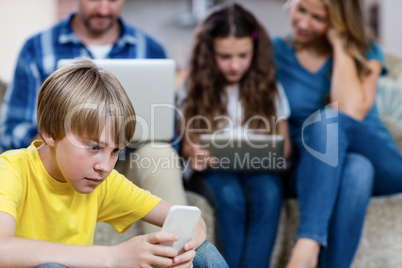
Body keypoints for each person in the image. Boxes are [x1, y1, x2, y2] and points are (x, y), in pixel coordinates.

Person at [0, 59, 228, 268]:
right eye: (94, 147)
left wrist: (182, 252)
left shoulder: (102, 181)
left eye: (115, 151)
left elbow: (190, 218)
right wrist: (112, 256)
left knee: (203, 253)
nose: (105, 167)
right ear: (49, 132)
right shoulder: (11, 171)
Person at [0, 0, 186, 233]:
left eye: (113, 0)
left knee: (160, 152)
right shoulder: (37, 48)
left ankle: (171, 252)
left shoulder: (150, 49)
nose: (103, 9)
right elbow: (11, 128)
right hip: (59, 159)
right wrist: (58, 136)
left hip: (131, 162)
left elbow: (168, 128)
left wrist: (110, 146)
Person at [273, 0, 402, 267]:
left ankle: (306, 245)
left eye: (318, 17)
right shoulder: (274, 52)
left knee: (328, 120)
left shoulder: (367, 51)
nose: (304, 22)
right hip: (311, 165)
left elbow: (348, 110)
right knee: (357, 170)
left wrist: (341, 45)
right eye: (301, 9)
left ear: (339, 21)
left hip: (378, 157)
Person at [176, 3, 292, 268]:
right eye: (224, 56)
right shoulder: (192, 87)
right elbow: (187, 144)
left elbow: (284, 148)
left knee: (269, 192)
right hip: (215, 171)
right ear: (209, 52)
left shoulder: (270, 88)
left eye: (243, 55)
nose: (235, 65)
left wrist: (267, 150)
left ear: (255, 50)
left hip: (260, 170)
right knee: (230, 196)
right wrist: (194, 152)